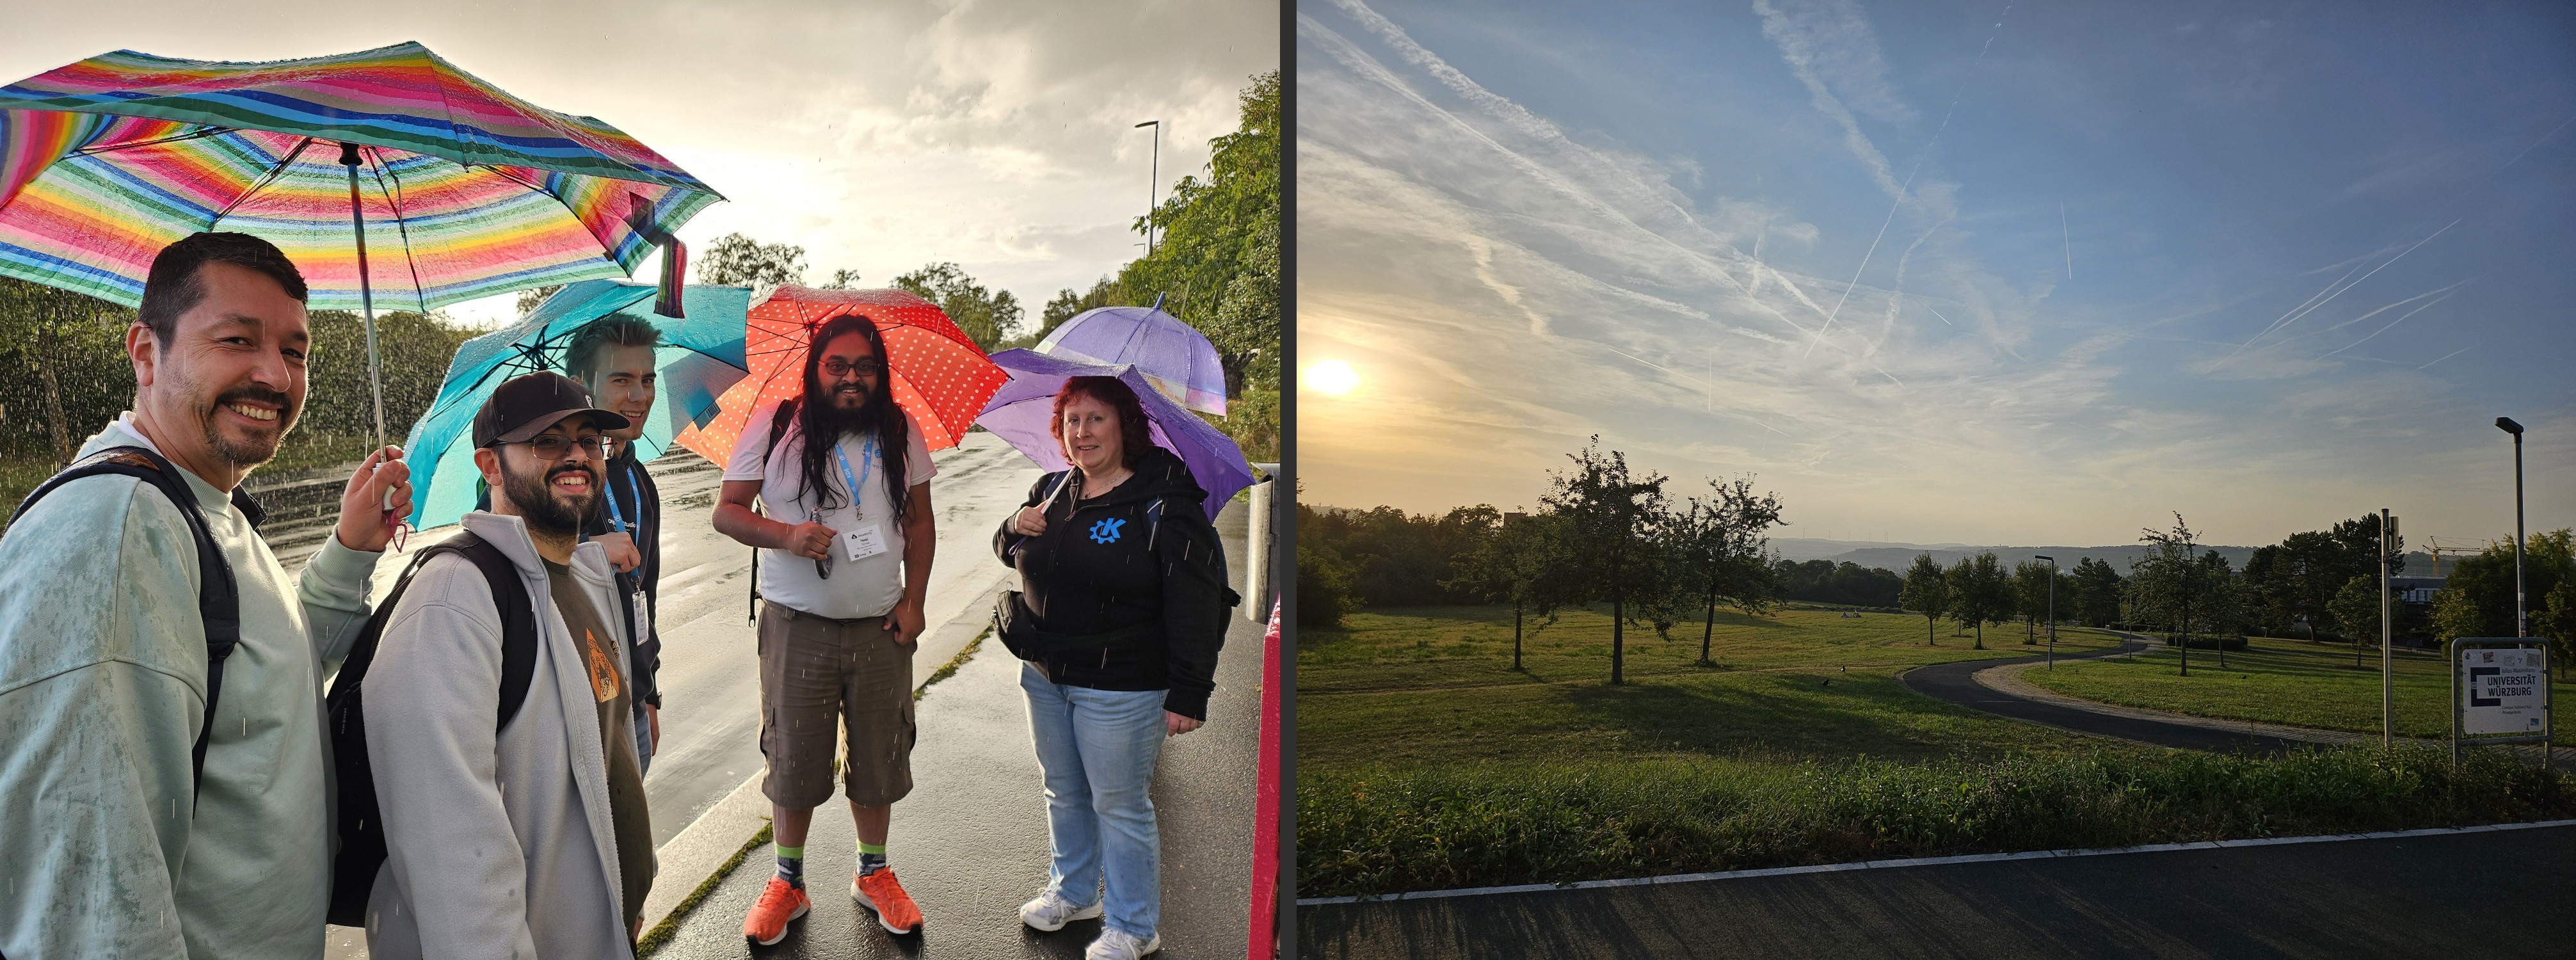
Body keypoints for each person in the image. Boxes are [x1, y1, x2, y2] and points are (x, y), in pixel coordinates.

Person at [0, 231, 410, 959]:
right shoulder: (121, 531)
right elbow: (93, 903)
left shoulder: (197, 508)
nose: (277, 377)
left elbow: (256, 694)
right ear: (145, 352)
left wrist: (349, 551)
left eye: (294, 350)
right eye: (236, 340)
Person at [359, 372, 654, 957]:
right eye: (547, 441)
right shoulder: (453, 602)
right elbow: (450, 856)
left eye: (588, 440)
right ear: (490, 466)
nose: (576, 455)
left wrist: (623, 901)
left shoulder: (586, 578)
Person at [713, 313, 936, 945]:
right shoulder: (775, 427)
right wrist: (785, 535)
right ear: (814, 368)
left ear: (879, 373)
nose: (851, 378)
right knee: (793, 759)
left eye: (865, 367)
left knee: (880, 754)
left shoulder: (900, 431)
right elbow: (727, 513)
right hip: (796, 627)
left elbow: (919, 525)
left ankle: (873, 872)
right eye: (836, 365)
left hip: (881, 628)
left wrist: (914, 602)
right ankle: (788, 881)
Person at [995, 375, 1235, 960]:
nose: (1083, 432)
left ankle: (1133, 925)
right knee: (1064, 790)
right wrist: (1010, 530)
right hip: (1046, 675)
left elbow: (1197, 603)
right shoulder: (1052, 489)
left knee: (1119, 803)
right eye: (1072, 421)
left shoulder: (1165, 504)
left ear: (1125, 426)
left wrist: (1189, 692)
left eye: (1096, 419)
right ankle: (1075, 894)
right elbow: (1015, 555)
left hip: (1123, 683)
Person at [564, 314, 666, 773]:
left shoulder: (641, 482)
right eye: (621, 380)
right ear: (580, 384)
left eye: (647, 380)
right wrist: (588, 554)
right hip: (575, 710)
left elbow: (648, 594)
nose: (640, 396)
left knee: (633, 844)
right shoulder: (550, 477)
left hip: (633, 704)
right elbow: (506, 572)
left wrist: (649, 695)